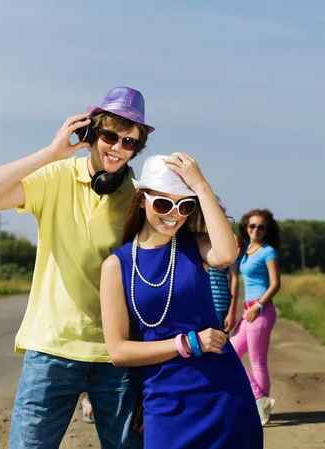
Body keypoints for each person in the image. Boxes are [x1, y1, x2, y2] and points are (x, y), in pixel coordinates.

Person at [0, 86, 154, 449]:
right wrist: (50, 153)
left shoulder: (141, 199)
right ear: (91, 132)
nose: (117, 147)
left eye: (129, 142)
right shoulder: (55, 177)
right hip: (52, 348)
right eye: (110, 135)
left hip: (116, 354)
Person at [100, 154, 263, 449]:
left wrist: (200, 185)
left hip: (223, 393)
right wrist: (186, 344)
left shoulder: (195, 246)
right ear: (141, 200)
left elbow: (227, 255)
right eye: (163, 203)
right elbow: (118, 351)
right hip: (165, 398)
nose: (173, 214)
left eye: (184, 205)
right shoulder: (117, 265)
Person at [230, 209, 281, 427]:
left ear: (266, 231)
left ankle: (261, 408)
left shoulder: (268, 252)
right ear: (246, 227)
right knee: (229, 352)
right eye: (252, 226)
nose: (256, 230)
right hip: (247, 311)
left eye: (261, 227)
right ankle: (261, 401)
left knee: (257, 363)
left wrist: (259, 306)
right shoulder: (248, 250)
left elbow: (275, 284)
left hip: (260, 310)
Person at [208, 196, 240, 332]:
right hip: (197, 304)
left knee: (218, 349)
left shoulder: (230, 240)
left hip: (220, 304)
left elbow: (234, 279)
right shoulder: (193, 237)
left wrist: (232, 311)